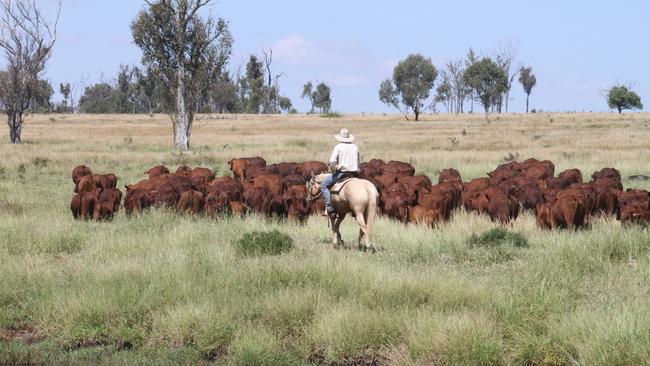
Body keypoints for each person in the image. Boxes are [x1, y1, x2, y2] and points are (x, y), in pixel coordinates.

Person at [321, 128, 360, 216]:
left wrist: (334, 168)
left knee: (323, 185)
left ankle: (330, 208)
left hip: (342, 174)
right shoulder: (355, 147)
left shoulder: (338, 147)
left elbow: (332, 161)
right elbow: (358, 162)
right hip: (354, 174)